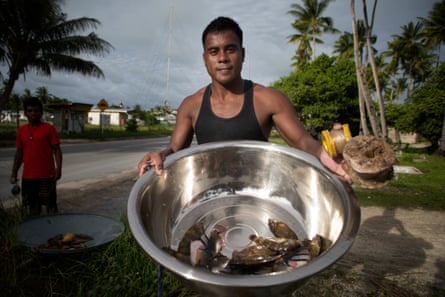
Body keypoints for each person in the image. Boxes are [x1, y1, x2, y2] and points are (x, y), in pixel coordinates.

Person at [138, 16, 350, 183]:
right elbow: (175, 150)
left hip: (257, 199)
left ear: (243, 54)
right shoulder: (191, 105)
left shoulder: (269, 99)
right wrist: (160, 155)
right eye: (214, 51)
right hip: (210, 199)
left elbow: (302, 141)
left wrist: (324, 153)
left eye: (230, 49)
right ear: (205, 59)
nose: (222, 58)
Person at [10, 97, 63, 216]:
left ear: (41, 112)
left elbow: (57, 150)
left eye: (36, 110)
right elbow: (19, 153)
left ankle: (55, 231)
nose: (33, 113)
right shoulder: (21, 131)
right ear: (25, 113)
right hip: (28, 177)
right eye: (30, 111)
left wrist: (58, 169)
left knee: (51, 207)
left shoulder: (49, 129)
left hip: (47, 176)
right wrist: (14, 172)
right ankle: (36, 232)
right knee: (33, 209)